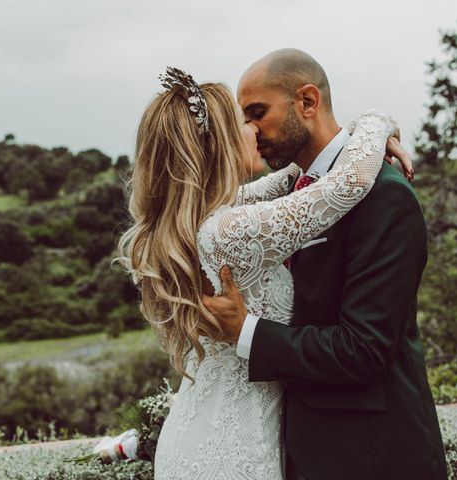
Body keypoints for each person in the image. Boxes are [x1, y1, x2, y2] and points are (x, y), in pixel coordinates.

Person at [118, 65, 407, 479]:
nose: (254, 130)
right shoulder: (228, 230)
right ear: (218, 145)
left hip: (199, 431)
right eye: (243, 121)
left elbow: (298, 177)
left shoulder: (204, 217)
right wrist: (378, 121)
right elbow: (346, 183)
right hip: (232, 447)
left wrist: (353, 135)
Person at [202, 49, 448, 480]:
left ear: (308, 102)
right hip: (298, 449)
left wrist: (247, 332)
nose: (250, 131)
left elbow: (365, 350)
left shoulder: (383, 195)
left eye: (258, 113)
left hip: (371, 456)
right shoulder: (289, 194)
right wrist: (374, 127)